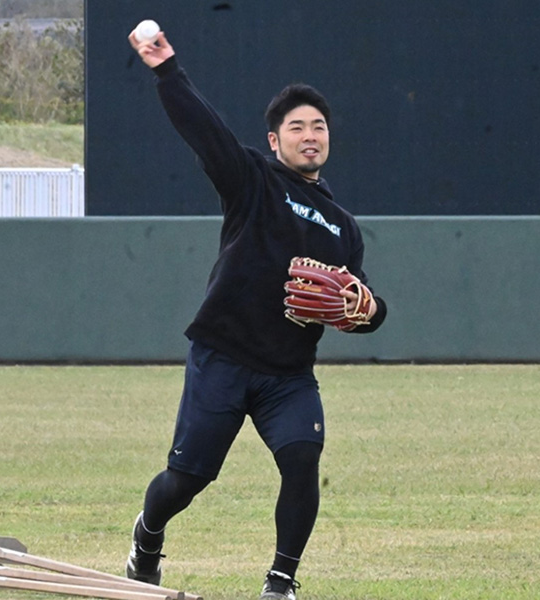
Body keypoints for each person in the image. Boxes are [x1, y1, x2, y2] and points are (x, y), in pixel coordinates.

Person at [126, 26, 388, 600]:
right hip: (223, 353)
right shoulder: (253, 180)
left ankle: (280, 582)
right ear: (274, 142)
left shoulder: (343, 225)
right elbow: (206, 131)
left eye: (318, 126)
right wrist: (167, 69)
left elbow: (362, 302)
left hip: (287, 373)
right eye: (296, 126)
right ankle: (146, 540)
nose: (310, 134)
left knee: (302, 460)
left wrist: (370, 309)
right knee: (187, 480)